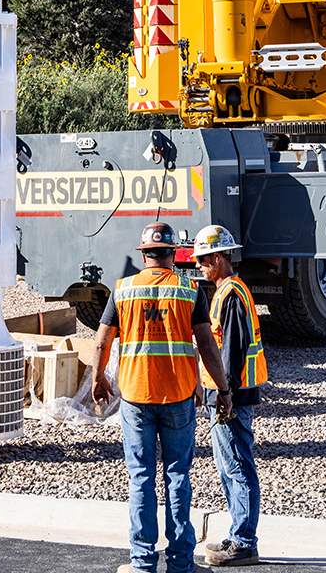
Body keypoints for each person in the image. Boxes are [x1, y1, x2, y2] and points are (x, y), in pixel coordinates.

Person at [91, 221, 233, 573]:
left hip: (136, 398)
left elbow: (101, 341)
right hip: (178, 397)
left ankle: (142, 564)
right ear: (172, 254)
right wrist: (223, 389)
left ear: (144, 256)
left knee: (140, 476)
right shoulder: (188, 290)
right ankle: (182, 564)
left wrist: (97, 377)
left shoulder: (123, 290)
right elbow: (207, 346)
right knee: (177, 476)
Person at [191, 224, 268, 568]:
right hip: (225, 393)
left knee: (237, 465)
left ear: (220, 257)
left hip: (231, 395)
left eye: (204, 259)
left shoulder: (231, 294)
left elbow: (232, 350)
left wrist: (226, 393)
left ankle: (244, 541)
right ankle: (240, 534)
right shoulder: (226, 292)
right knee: (230, 465)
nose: (199, 265)